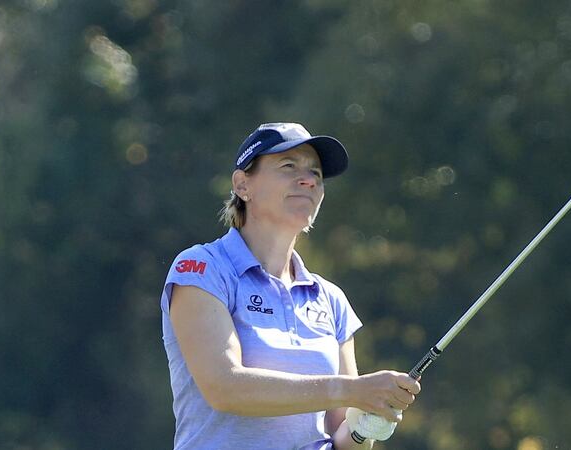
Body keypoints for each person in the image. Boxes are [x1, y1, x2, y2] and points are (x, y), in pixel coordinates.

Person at [159, 123, 421, 449]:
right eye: (288, 166)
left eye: (316, 174)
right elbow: (224, 388)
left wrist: (367, 423)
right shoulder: (201, 269)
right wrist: (352, 391)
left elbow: (341, 432)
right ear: (243, 185)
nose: (309, 180)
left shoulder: (331, 299)